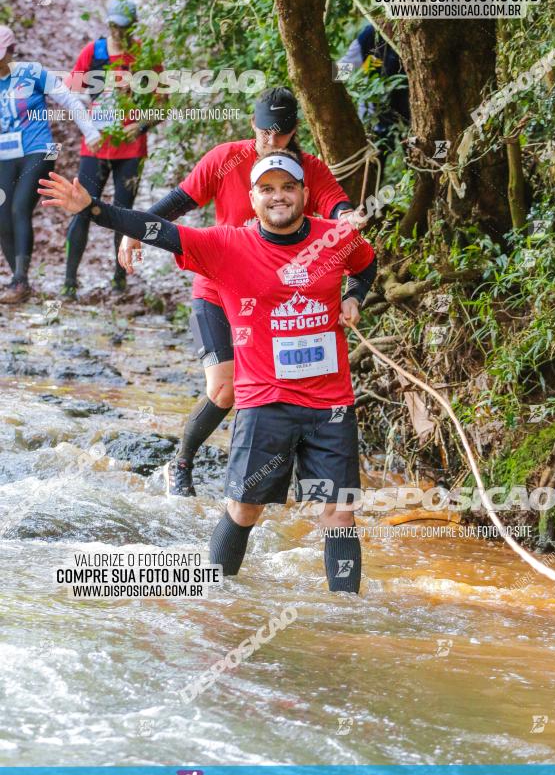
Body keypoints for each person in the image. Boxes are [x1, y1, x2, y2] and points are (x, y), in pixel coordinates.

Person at [38, 148, 377, 594]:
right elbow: (158, 230)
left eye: (288, 187)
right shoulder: (227, 244)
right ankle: (217, 600)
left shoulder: (336, 237)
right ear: (252, 198)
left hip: (331, 404)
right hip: (264, 403)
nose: (279, 197)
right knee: (244, 509)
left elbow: (367, 264)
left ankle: (348, 620)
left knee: (339, 513)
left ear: (304, 193)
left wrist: (354, 296)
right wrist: (95, 209)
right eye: (268, 189)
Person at [116, 86, 368, 497]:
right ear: (253, 124)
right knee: (224, 389)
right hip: (219, 289)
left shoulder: (307, 169)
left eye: (282, 134)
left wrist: (349, 218)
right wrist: (133, 232)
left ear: (294, 132)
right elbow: (178, 202)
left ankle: (270, 480)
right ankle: (180, 462)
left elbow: (334, 204)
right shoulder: (225, 159)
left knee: (279, 390)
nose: (273, 141)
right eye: (266, 132)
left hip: (276, 301)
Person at [62, 0, 160, 298]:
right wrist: (88, 123)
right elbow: (69, 94)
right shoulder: (93, 52)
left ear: (133, 27)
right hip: (95, 147)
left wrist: (140, 126)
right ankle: (69, 283)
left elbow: (162, 104)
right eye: (114, 25)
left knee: (123, 212)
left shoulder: (144, 56)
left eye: (124, 26)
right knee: (81, 209)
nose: (118, 32)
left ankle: (119, 279)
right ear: (108, 25)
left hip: (130, 150)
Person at [0, 25, 101, 303]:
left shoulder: (31, 73)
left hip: (38, 150)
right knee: (2, 214)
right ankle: (19, 279)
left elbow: (68, 99)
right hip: (4, 155)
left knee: (20, 207)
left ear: (12, 51)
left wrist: (90, 132)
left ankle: (19, 282)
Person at [338, 23, 410, 172]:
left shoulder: (410, 34)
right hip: (375, 117)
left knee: (415, 163)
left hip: (410, 118)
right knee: (372, 168)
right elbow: (346, 66)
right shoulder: (369, 37)